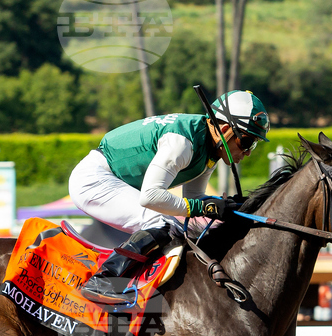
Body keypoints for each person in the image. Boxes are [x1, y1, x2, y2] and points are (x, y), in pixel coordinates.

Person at [70, 90, 270, 304]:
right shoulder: (182, 143)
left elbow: (194, 198)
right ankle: (102, 281)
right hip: (94, 179)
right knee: (160, 221)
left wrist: (224, 206)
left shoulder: (210, 149)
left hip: (113, 180)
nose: (248, 152)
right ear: (224, 130)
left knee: (173, 225)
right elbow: (151, 197)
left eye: (254, 144)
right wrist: (205, 208)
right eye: (247, 142)